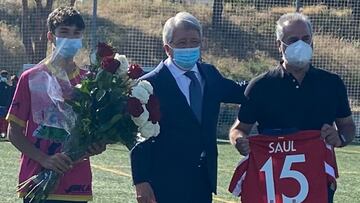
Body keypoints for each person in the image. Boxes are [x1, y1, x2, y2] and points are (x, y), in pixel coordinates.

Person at [229, 13, 356, 203]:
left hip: (317, 185)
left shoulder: (332, 83)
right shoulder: (261, 86)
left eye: (306, 39)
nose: (301, 44)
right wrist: (240, 141)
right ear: (279, 44)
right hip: (271, 188)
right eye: (293, 40)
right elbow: (239, 129)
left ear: (312, 42)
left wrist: (340, 138)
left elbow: (348, 126)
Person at [130, 11, 247, 203]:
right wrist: (140, 181)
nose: (189, 47)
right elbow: (137, 136)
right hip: (163, 182)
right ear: (168, 48)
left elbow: (241, 92)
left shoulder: (210, 74)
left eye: (194, 42)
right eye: (182, 43)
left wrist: (272, 81)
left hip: (202, 181)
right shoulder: (148, 85)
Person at [7, 7, 105, 203]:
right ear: (51, 36)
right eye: (64, 32)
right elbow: (13, 132)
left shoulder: (91, 81)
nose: (71, 38)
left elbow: (96, 134)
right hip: (36, 180)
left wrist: (98, 145)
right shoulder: (31, 78)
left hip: (76, 183)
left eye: (76, 34)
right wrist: (45, 159)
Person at [0, 70, 12, 137]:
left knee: (3, 120)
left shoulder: (8, 86)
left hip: (4, 106)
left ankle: (3, 132)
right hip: (4, 106)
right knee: (3, 120)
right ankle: (3, 132)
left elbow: (9, 96)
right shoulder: (7, 86)